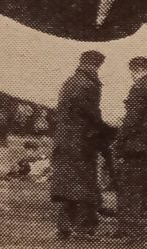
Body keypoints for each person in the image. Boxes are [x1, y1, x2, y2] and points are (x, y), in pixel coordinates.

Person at [50, 50, 110, 240]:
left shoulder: (69, 82)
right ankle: (84, 229)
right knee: (86, 185)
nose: (97, 69)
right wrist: (106, 130)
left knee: (68, 185)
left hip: (64, 140)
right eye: (97, 66)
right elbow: (91, 113)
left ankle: (64, 228)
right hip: (81, 141)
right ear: (94, 65)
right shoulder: (88, 85)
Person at [111, 57, 147, 239]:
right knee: (142, 188)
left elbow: (132, 120)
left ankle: (128, 230)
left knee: (128, 187)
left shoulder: (138, 89)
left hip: (136, 146)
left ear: (133, 70)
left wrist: (118, 142)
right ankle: (131, 229)